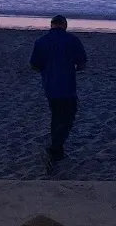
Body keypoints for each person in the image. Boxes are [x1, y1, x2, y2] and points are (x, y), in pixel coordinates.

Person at [29, 15, 87, 170]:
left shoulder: (41, 41)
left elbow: (34, 65)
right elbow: (82, 64)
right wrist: (72, 68)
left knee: (56, 115)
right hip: (67, 86)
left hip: (49, 86)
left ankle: (57, 148)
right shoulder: (73, 40)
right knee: (68, 117)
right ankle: (55, 148)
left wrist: (46, 70)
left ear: (52, 25)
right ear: (64, 25)